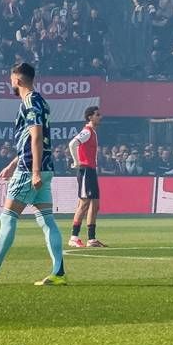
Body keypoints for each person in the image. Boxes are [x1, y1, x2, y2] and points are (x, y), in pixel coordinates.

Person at [0, 61, 68, 286]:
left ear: (18, 80)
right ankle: (58, 273)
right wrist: (13, 163)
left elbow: (36, 136)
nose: (10, 83)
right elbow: (31, 138)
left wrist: (33, 172)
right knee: (46, 219)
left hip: (31, 169)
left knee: (8, 216)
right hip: (44, 166)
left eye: (11, 79)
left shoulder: (30, 101)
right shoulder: (39, 100)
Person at [66, 107, 103, 251]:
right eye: (97, 115)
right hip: (86, 170)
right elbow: (72, 143)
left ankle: (91, 239)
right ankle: (73, 238)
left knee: (95, 204)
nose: (100, 117)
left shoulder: (92, 132)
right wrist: (76, 161)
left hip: (91, 170)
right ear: (90, 117)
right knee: (84, 203)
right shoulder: (87, 131)